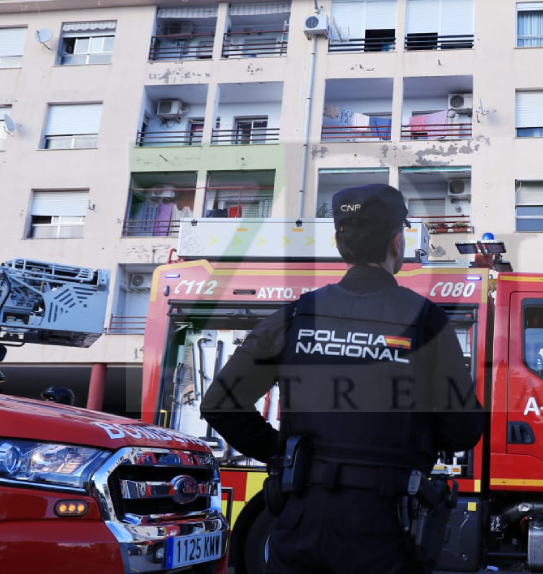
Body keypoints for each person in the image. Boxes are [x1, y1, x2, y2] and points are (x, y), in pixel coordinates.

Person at [201, 184, 484, 574]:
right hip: (387, 527)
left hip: (301, 520)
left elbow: (219, 402)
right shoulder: (427, 322)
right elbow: (463, 430)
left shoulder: (294, 318)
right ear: (397, 242)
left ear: (339, 242)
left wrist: (282, 456)